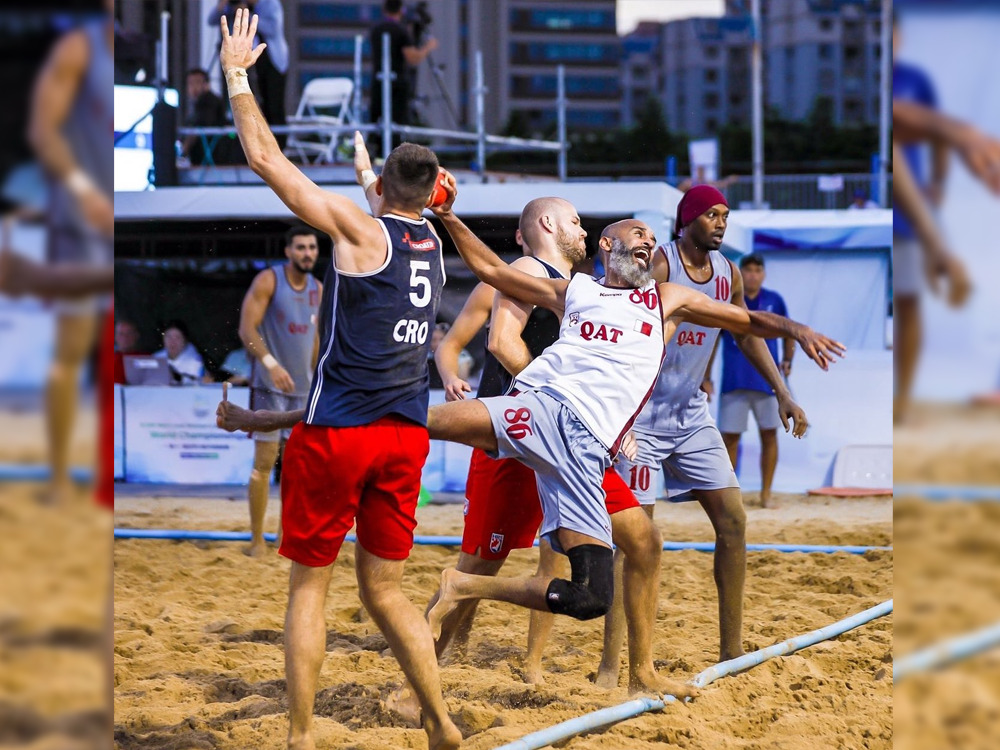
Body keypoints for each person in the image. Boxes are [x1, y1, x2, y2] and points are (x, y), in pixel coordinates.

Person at [217, 10, 460, 750]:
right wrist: (375, 175)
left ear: (381, 186)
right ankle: (442, 724)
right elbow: (395, 209)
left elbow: (265, 159)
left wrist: (236, 72)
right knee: (387, 591)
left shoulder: (359, 230)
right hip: (405, 438)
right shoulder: (433, 245)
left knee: (309, 589)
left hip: (341, 431)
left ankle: (298, 737)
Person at [605, 185, 837, 676]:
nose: (721, 222)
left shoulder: (728, 273)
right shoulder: (661, 264)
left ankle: (730, 652)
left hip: (689, 414)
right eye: (712, 214)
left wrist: (783, 391)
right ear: (687, 219)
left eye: (725, 215)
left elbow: (745, 334)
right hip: (639, 417)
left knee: (733, 521)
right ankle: (610, 664)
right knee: (634, 537)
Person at [27, 0, 113, 505]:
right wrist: (82, 190)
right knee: (71, 349)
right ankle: (59, 476)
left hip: (103, 208)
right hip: (79, 215)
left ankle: (78, 474)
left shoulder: (108, 50)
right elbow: (44, 130)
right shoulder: (76, 47)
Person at [238, 224, 321, 558]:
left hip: (303, 391)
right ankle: (257, 540)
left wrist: (317, 375)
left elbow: (315, 338)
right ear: (288, 251)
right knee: (263, 464)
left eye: (312, 247)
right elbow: (247, 328)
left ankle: (283, 537)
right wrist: (271, 363)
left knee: (296, 470)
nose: (307, 253)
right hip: (269, 387)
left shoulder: (319, 287)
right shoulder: (269, 280)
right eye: (300, 247)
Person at [707, 253, 794, 508]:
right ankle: (730, 496)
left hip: (767, 383)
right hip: (734, 381)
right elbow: (713, 338)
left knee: (769, 435)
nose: (753, 275)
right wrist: (707, 375)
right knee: (730, 439)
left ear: (763, 274)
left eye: (758, 270)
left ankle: (766, 494)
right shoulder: (728, 301)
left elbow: (789, 332)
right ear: (740, 273)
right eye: (748, 270)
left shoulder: (774, 300)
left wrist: (788, 359)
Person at [208, 1, 288, 146]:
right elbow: (211, 20)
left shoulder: (269, 3)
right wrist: (222, 7)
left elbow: (273, 29)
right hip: (246, 63)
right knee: (247, 104)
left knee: (273, 106)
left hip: (272, 62)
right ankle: (249, 145)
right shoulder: (231, 5)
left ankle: (279, 147)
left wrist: (247, 15)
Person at [369, 0, 438, 154]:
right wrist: (428, 47)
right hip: (397, 83)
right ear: (401, 10)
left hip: (377, 81)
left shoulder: (376, 29)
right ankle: (394, 154)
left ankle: (377, 151)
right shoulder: (401, 31)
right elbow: (413, 58)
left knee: (378, 119)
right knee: (397, 122)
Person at [181, 68, 242, 166]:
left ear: (207, 84)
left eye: (198, 82)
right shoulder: (199, 105)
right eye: (190, 83)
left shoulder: (208, 101)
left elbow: (200, 125)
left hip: (215, 157)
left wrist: (184, 151)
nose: (194, 87)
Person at [153, 320, 205, 385]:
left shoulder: (195, 361)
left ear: (185, 340)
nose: (172, 342)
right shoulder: (156, 358)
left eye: (177, 337)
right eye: (169, 337)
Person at [427, 321, 472, 390]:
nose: (437, 343)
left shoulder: (461, 356)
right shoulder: (426, 356)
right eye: (434, 340)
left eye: (441, 339)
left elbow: (462, 379)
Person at [113, 319, 142, 385]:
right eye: (121, 334)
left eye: (129, 333)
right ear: (115, 337)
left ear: (137, 335)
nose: (125, 337)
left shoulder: (146, 358)